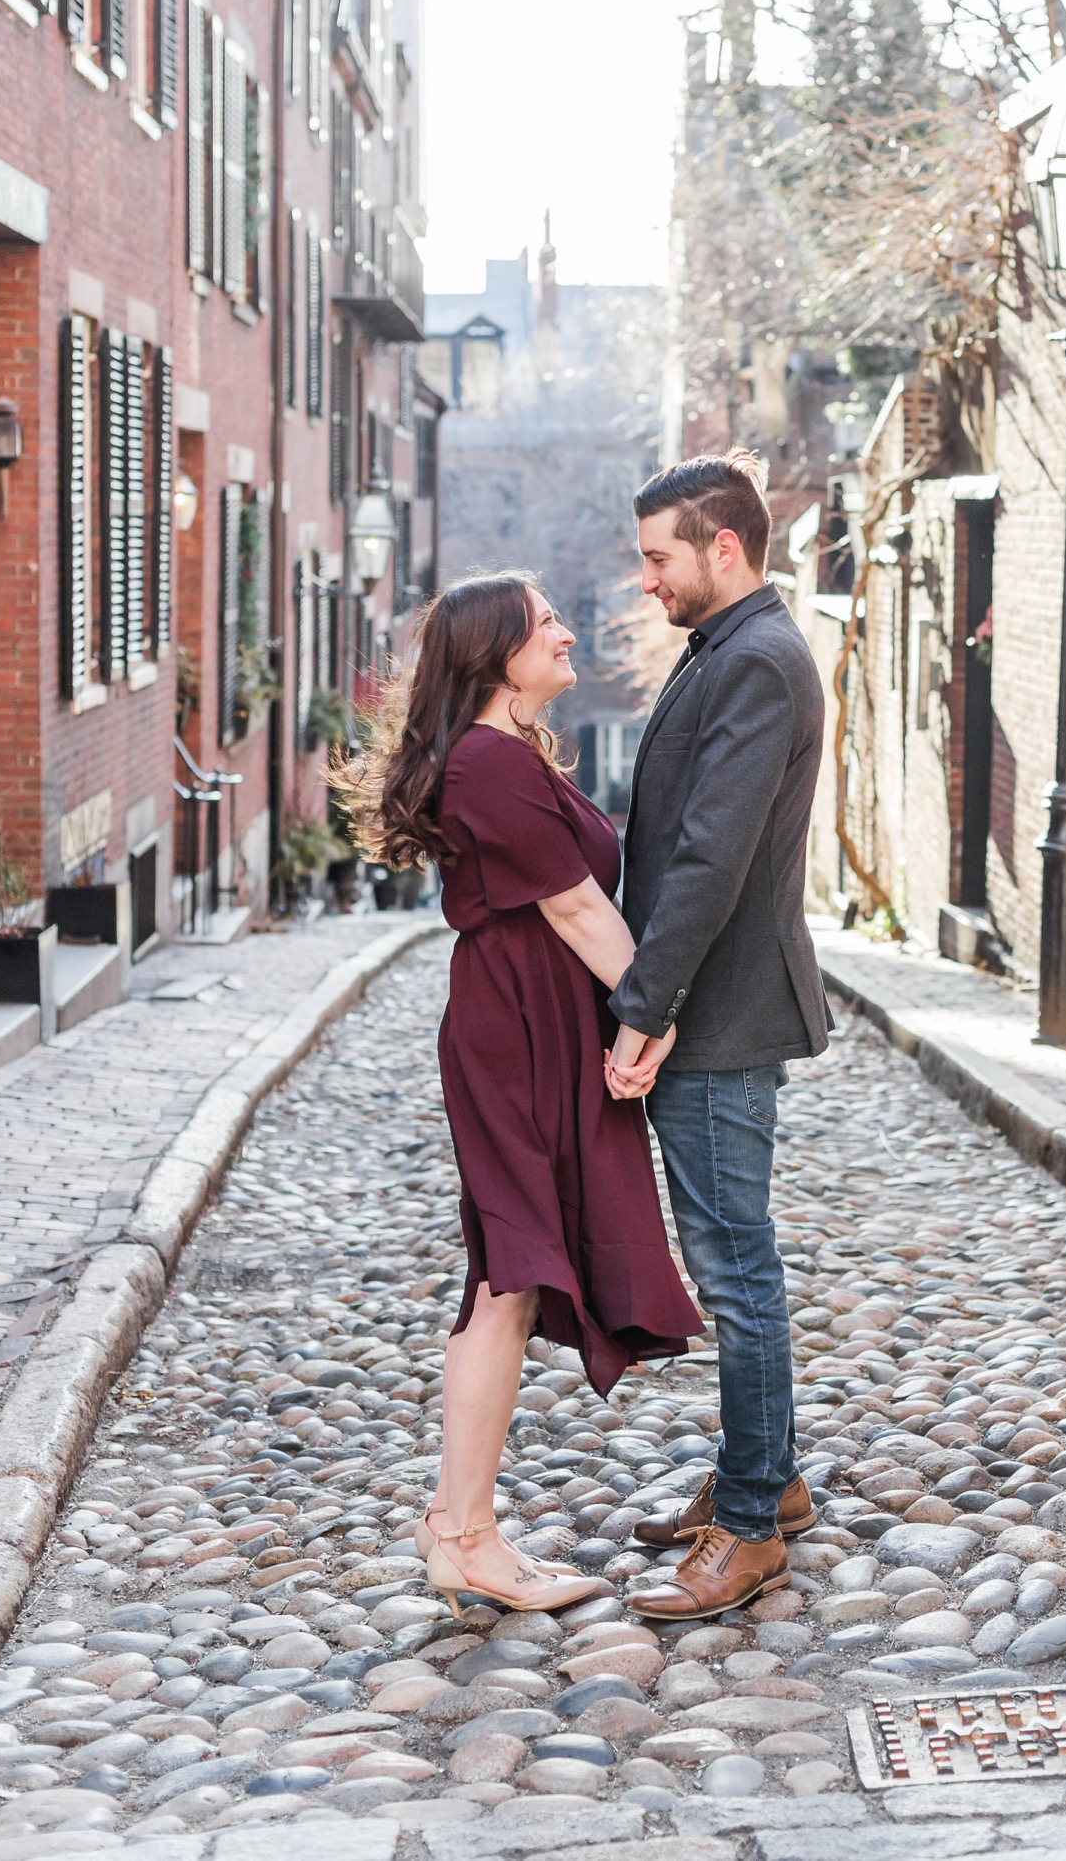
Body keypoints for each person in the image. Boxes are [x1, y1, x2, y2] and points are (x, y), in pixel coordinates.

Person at [335, 572, 702, 1616]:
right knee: (512, 1270)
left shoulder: (508, 755)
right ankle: (467, 1534)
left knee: (513, 1272)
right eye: (547, 624)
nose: (568, 630)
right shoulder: (490, 765)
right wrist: (654, 1011)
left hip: (530, 1019)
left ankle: (461, 1528)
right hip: (517, 1030)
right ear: (498, 654)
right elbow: (580, 910)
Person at [605, 450, 832, 1621]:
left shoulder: (756, 664)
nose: (646, 581)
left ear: (723, 547)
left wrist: (647, 1008)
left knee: (738, 1273)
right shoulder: (733, 651)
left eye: (659, 558)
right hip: (718, 1009)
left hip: (722, 1016)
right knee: (736, 1262)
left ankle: (750, 1527)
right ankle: (770, 1478)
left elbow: (710, 856)